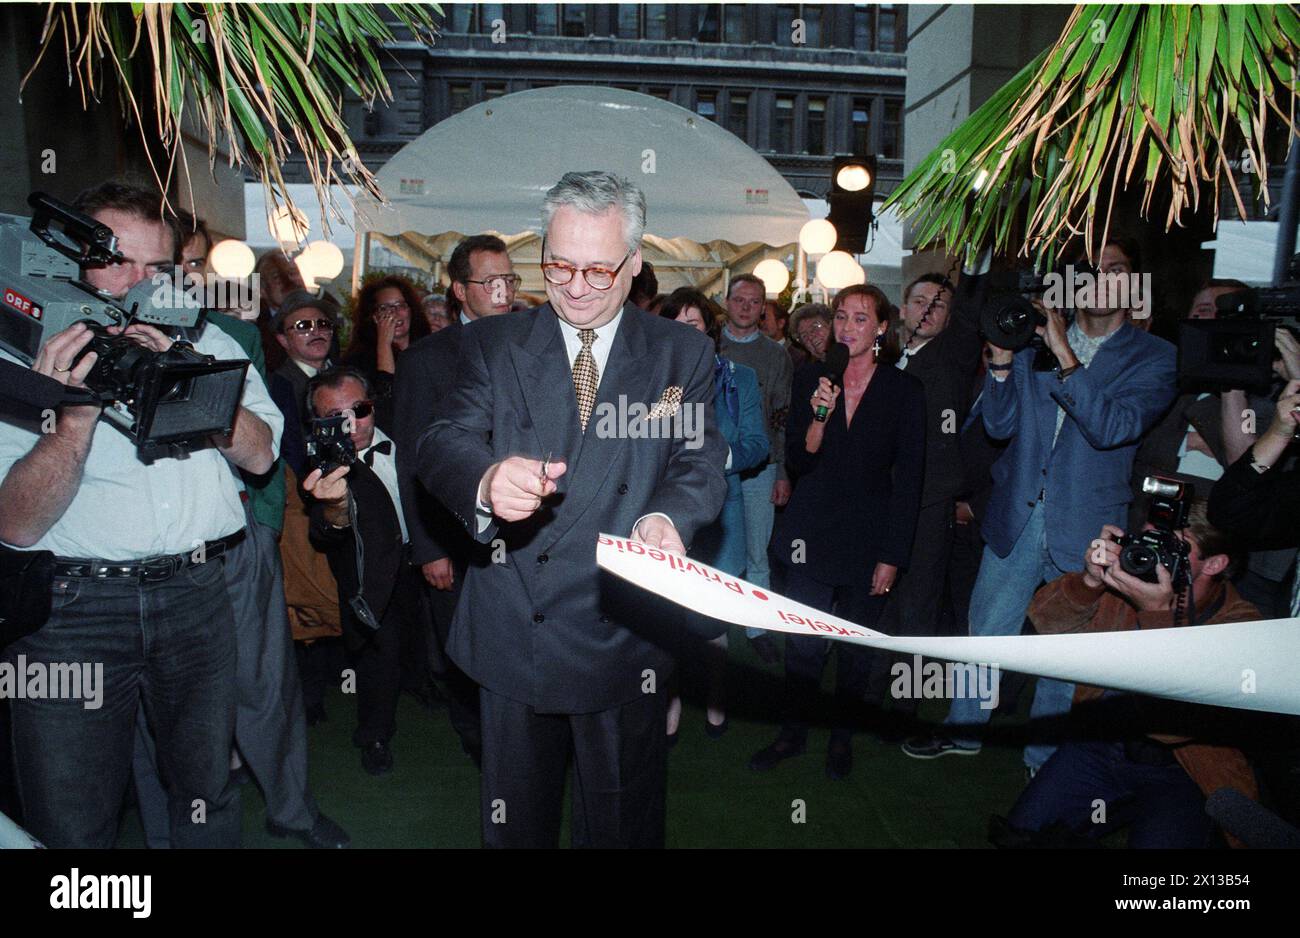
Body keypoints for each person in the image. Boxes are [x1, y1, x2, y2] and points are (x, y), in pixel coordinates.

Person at [418, 170, 726, 847]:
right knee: (516, 824)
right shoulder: (495, 345)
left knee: (621, 823)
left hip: (626, 632)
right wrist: (486, 477)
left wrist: (668, 516)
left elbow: (697, 458)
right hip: (516, 629)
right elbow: (442, 439)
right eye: (558, 266)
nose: (576, 287)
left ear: (636, 263)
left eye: (597, 270)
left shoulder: (682, 352)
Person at [0, 182, 280, 848]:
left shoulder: (208, 337)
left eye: (155, 269)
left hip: (198, 595)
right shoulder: (20, 354)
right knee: (72, 812)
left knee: (204, 792)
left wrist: (188, 384)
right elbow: (16, 525)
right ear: (67, 254)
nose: (135, 284)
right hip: (73, 611)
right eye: (114, 260)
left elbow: (263, 456)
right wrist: (72, 415)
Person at [904, 243, 1178, 775]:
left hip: (1088, 524)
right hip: (1017, 512)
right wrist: (1004, 367)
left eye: (1115, 270)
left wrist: (1065, 355)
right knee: (985, 628)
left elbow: (1112, 428)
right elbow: (999, 427)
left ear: (1133, 286)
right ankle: (963, 730)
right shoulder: (1028, 342)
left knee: (1063, 649)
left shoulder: (1155, 357)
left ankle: (1043, 761)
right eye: (1089, 270)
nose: (1100, 278)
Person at [129, 212, 349, 849]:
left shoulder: (228, 336)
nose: (185, 279)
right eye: (179, 266)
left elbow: (267, 443)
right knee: (157, 709)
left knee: (265, 688)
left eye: (194, 265)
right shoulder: (84, 334)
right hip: (143, 557)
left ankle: (293, 809)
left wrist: (266, 530)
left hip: (238, 533)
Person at [1001, 507, 1261, 848]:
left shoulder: (1242, 626)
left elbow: (1172, 724)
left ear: (1214, 564)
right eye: (1147, 539)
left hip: (1182, 772)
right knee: (1022, 835)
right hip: (1101, 746)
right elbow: (1047, 626)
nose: (1152, 554)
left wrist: (1155, 614)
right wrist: (1089, 581)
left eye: (1172, 548)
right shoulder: (1127, 583)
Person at [750, 284, 925, 780]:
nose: (847, 327)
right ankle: (792, 732)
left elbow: (909, 479)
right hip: (811, 531)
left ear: (882, 328)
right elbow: (802, 460)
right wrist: (820, 418)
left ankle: (841, 737)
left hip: (870, 537)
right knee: (802, 642)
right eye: (841, 317)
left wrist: (893, 554)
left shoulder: (904, 391)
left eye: (860, 319)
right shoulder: (812, 377)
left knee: (854, 646)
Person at [394, 233, 520, 766]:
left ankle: (520, 735)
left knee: (519, 640)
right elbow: (410, 459)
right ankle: (481, 744)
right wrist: (428, 548)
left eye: (509, 280)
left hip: (527, 532)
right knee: (461, 647)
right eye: (489, 282)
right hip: (453, 532)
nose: (502, 291)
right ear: (459, 291)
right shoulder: (427, 360)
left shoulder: (538, 344)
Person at [659, 288, 769, 740]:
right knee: (666, 620)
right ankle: (671, 703)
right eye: (677, 325)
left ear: (711, 331)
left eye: (695, 324)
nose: (686, 333)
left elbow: (757, 445)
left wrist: (712, 459)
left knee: (711, 621)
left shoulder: (738, 379)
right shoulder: (653, 380)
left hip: (723, 516)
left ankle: (717, 699)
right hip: (666, 518)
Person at [873, 274, 981, 733]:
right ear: (902, 309)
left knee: (919, 611)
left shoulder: (949, 360)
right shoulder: (894, 361)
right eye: (919, 301)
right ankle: (877, 696)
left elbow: (972, 319)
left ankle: (906, 712)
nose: (926, 311)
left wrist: (975, 260)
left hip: (928, 506)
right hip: (891, 504)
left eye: (938, 306)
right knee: (888, 606)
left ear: (949, 319)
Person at [303, 367, 422, 776]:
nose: (352, 424)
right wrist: (334, 511)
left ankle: (436, 697)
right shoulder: (324, 468)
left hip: (425, 563)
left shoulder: (412, 437)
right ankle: (373, 736)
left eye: (361, 409)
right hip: (370, 579)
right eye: (336, 418)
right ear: (318, 425)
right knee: (379, 659)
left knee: (434, 642)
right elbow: (323, 529)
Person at [718, 273, 793, 662]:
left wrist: (781, 470)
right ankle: (715, 622)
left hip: (760, 464)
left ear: (763, 308)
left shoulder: (776, 355)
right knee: (717, 548)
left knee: (757, 550)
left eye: (753, 302)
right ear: (726, 302)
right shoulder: (708, 346)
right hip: (715, 466)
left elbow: (781, 416)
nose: (746, 307)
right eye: (739, 300)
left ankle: (758, 625)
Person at [342, 274, 431, 435]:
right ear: (374, 316)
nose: (395, 313)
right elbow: (387, 401)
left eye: (400, 305)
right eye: (385, 308)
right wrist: (384, 344)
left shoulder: (428, 350)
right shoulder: (358, 362)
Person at [268, 290, 342, 478]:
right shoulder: (278, 389)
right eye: (303, 326)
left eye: (323, 324)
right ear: (283, 339)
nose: (316, 332)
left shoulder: (349, 378)